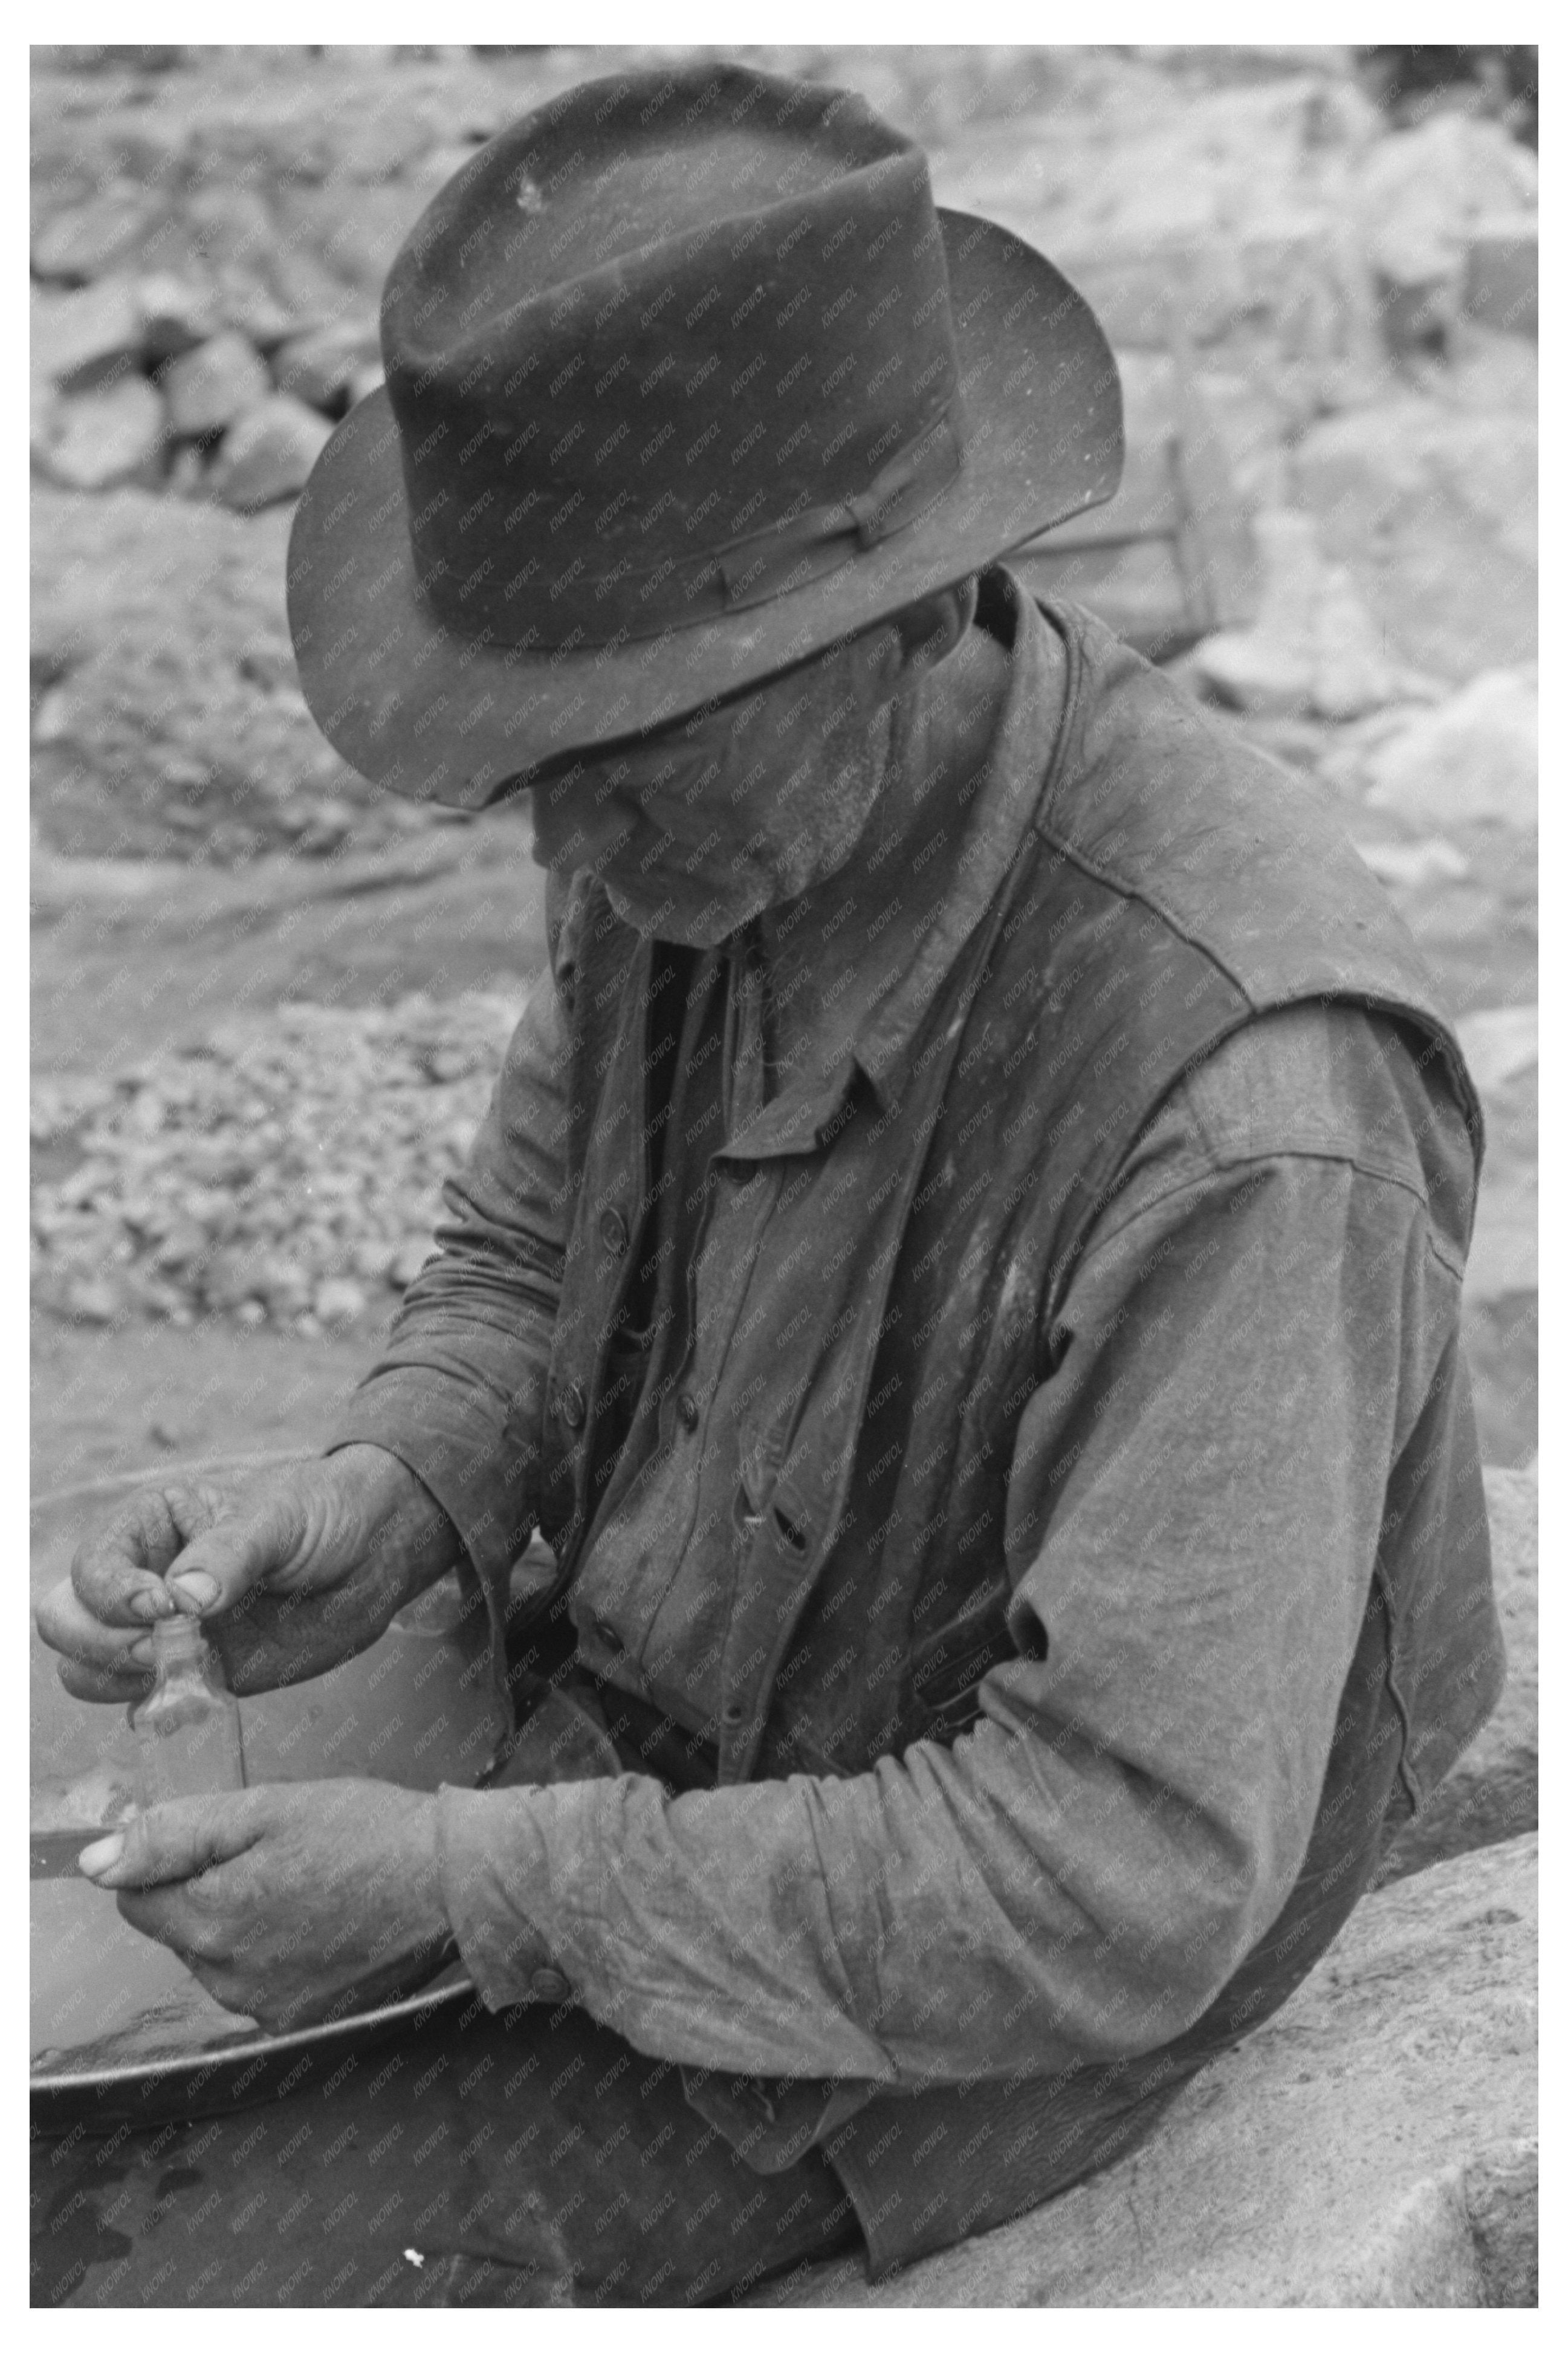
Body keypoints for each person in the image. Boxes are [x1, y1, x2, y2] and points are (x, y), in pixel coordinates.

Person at [37, 63, 1504, 2305]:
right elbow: (527, 1253)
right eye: (538, 768)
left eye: (617, 761)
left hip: (943, 1992)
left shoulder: (1241, 1093)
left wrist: (466, 1885)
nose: (563, 850)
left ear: (904, 620)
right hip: (646, 1743)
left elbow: (1117, 1868)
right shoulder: (693, 828)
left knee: (115, 2262)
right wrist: (397, 1486)